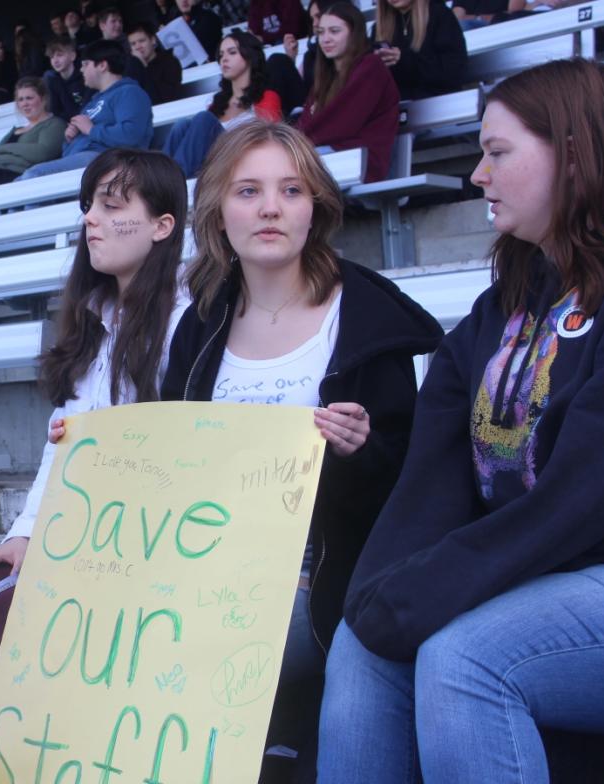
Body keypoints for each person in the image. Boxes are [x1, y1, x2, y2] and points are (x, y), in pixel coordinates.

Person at [317, 57, 604, 784]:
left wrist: (445, 588)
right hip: (540, 573)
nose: (478, 173)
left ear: (573, 154)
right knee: (363, 642)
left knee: (466, 657)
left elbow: (593, 489)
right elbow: (431, 482)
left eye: (498, 152)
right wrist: (378, 595)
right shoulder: (499, 306)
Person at [161, 118, 443, 778]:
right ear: (217, 210)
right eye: (248, 191)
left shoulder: (367, 317)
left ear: (314, 207)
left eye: (291, 190)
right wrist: (99, 452)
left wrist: (358, 450)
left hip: (325, 580)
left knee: (182, 657)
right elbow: (172, 464)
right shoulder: (200, 325)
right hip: (210, 571)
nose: (269, 209)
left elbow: (412, 482)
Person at [0, 147, 191, 727]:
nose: (91, 218)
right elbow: (60, 446)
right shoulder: (91, 315)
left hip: (146, 544)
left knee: (12, 616)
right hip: (74, 533)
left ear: (163, 226)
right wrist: (26, 533)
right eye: (89, 205)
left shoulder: (190, 321)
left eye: (113, 206)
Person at [17, 40, 152, 180]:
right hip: (85, 161)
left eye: (85, 64)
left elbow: (131, 135)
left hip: (110, 162)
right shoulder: (94, 101)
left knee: (34, 176)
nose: (81, 70)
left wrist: (91, 130)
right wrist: (70, 138)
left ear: (102, 65)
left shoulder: (129, 93)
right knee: (17, 182)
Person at [297, 2, 399, 183]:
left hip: (364, 161)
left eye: (334, 31)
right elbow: (306, 121)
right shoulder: (326, 76)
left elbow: (342, 125)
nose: (325, 39)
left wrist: (300, 139)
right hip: (332, 156)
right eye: (321, 32)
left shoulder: (371, 67)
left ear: (354, 33)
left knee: (290, 165)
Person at [162, 32, 282, 177]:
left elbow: (270, 140)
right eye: (221, 55)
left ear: (250, 56)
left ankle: (171, 181)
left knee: (203, 119)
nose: (224, 59)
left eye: (232, 53)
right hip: (210, 165)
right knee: (181, 125)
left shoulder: (266, 97)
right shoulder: (218, 104)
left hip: (242, 161)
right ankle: (162, 178)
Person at [372, 0, 468, 100]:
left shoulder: (440, 15)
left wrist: (405, 59)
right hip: (399, 108)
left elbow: (453, 72)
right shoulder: (379, 29)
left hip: (440, 101)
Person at [128, 20, 183, 105]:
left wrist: (144, 67)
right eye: (133, 44)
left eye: (142, 41)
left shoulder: (170, 62)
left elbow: (166, 97)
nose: (138, 47)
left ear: (153, 40)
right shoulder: (130, 70)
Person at [43, 35, 91, 124]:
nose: (55, 61)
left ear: (72, 56)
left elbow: (85, 110)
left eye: (59, 55)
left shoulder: (85, 78)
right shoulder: (53, 81)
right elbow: (54, 112)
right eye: (52, 57)